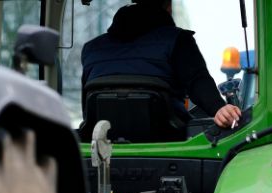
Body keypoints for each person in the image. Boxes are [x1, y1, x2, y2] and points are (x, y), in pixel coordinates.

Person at [81, 0, 241, 129]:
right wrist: (219, 108)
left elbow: (87, 110)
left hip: (103, 146)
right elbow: (197, 81)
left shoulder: (91, 48)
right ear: (168, 6)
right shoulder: (177, 40)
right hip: (169, 139)